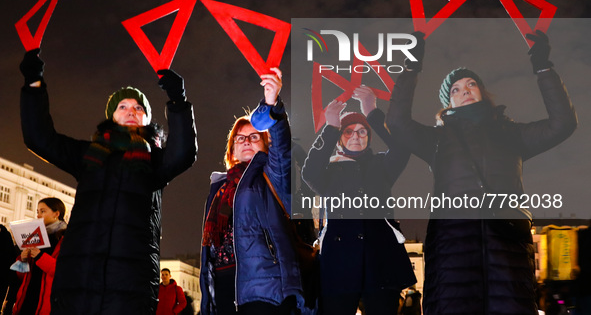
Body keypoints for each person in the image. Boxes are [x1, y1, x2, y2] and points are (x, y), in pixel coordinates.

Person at [386, 31, 577, 314]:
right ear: (448, 103)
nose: (465, 90)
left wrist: (544, 69)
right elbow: (398, 123)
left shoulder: (510, 133)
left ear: (482, 91)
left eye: (471, 84)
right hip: (455, 246)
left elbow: (563, 123)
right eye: (455, 89)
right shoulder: (437, 140)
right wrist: (411, 68)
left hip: (507, 245)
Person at [19, 49, 197, 314]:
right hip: (79, 277)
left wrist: (178, 101)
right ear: (112, 115)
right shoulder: (89, 154)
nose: (131, 111)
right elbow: (40, 138)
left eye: (138, 108)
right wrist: (34, 84)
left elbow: (184, 153)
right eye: (123, 106)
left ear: (147, 118)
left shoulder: (156, 160)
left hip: (130, 283)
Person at [301, 86, 416, 315]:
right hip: (339, 263)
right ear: (339, 138)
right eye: (348, 131)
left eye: (362, 131)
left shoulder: (382, 166)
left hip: (381, 260)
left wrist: (372, 112)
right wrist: (331, 127)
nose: (355, 136)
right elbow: (309, 172)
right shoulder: (328, 173)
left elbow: (402, 148)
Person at [200, 68, 304, 314]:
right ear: (231, 151)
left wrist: (271, 105)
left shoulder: (272, 175)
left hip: (265, 289)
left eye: (255, 136)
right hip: (225, 288)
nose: (246, 141)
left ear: (266, 146)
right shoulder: (219, 188)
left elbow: (281, 146)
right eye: (240, 138)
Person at [12, 198, 67, 315]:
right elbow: (21, 276)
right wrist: (23, 259)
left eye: (43, 211)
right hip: (25, 302)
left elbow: (64, 272)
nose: (38, 215)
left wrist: (41, 257)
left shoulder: (65, 238)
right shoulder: (34, 236)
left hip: (46, 305)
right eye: (37, 212)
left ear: (56, 214)